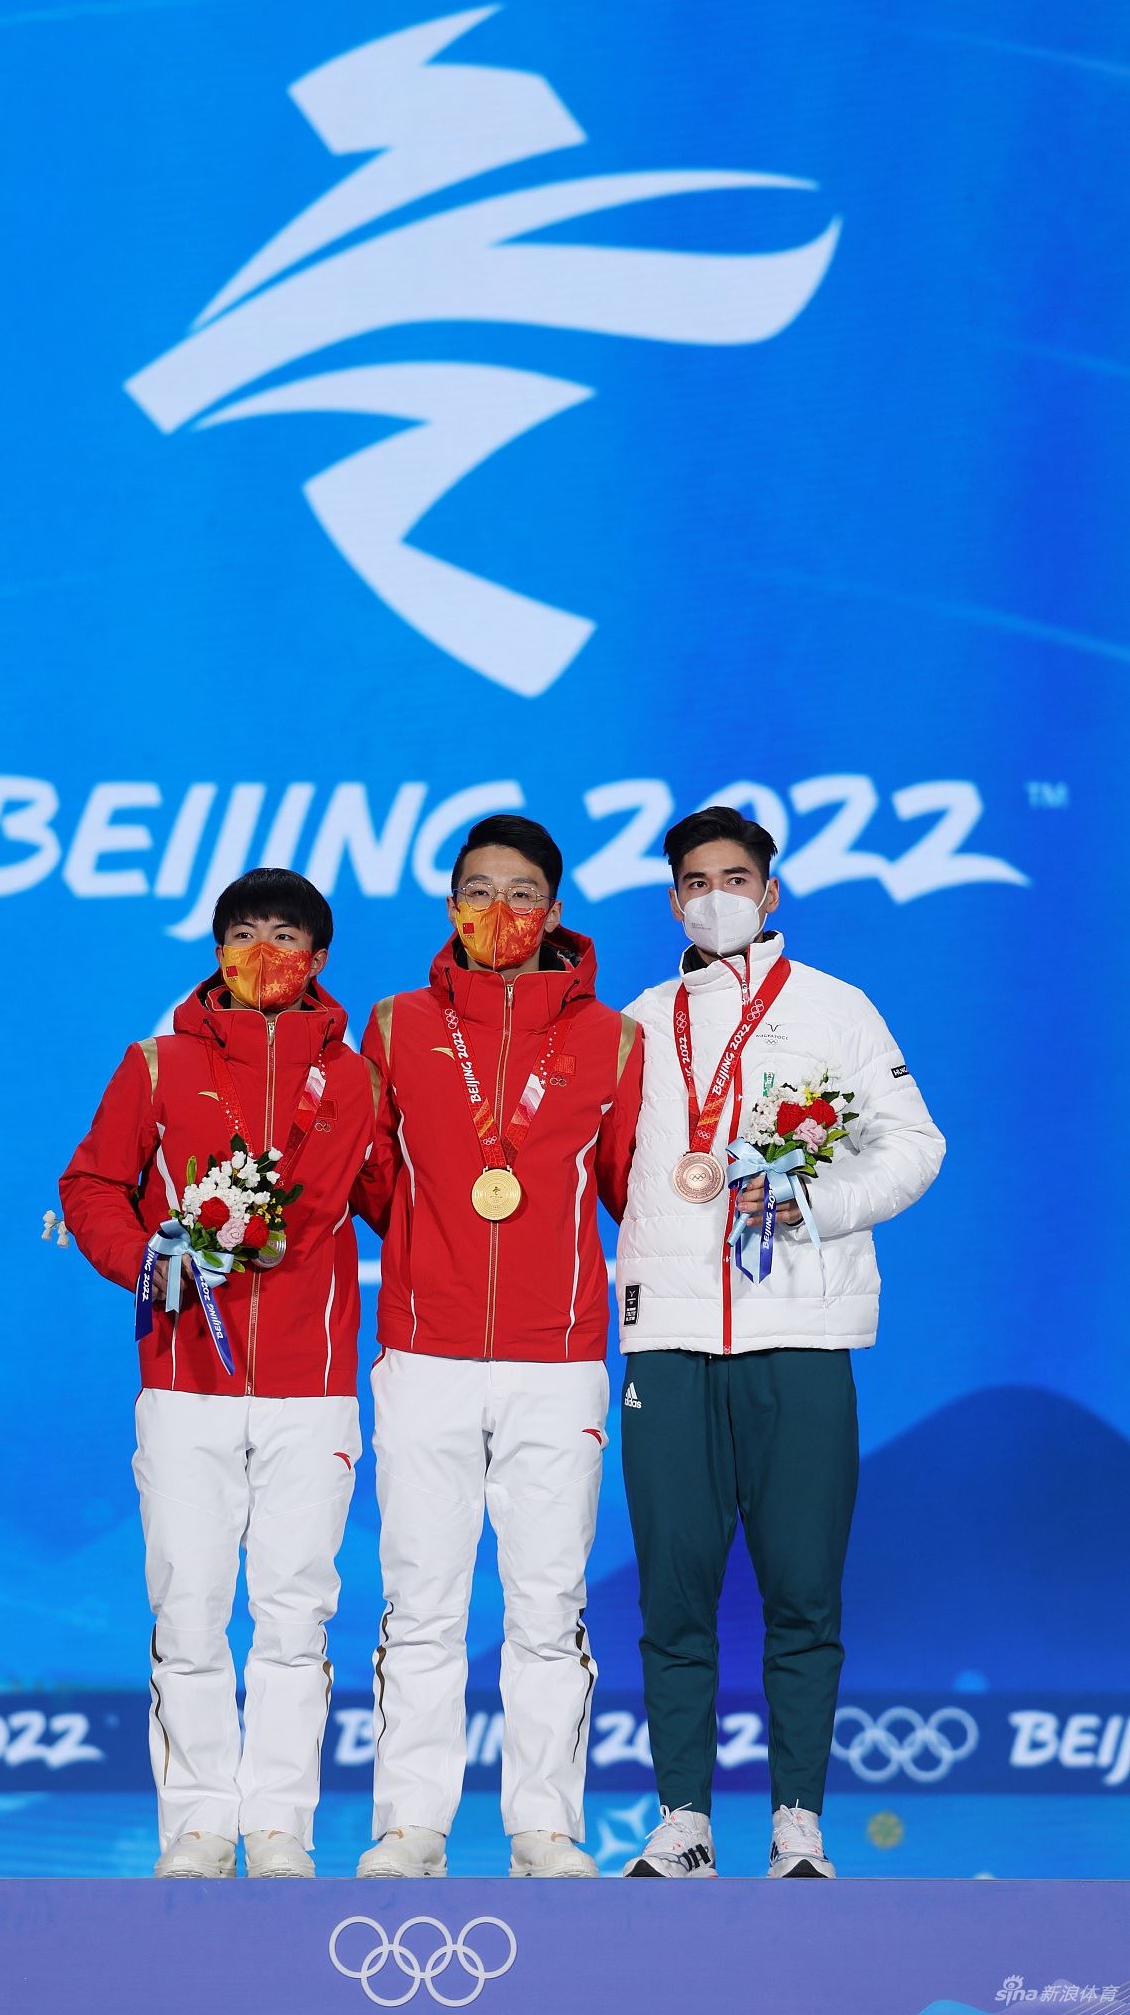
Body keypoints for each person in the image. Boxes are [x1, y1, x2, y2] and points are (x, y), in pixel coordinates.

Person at [615, 806, 945, 1879]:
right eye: (694, 880)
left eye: (734, 877)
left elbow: (915, 1144)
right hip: (668, 1341)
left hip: (800, 1331)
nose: (714, 895)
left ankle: (797, 1821)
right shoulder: (639, 1021)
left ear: (769, 891)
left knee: (803, 1590)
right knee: (673, 1595)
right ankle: (682, 1820)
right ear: (673, 899)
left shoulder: (834, 1006)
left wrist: (815, 1206)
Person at [58, 868, 383, 1880]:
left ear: (318, 957)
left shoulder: (359, 1079)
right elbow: (90, 1183)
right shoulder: (158, 1063)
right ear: (216, 950)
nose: (262, 952)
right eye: (242, 933)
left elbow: (398, 1201)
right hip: (184, 1382)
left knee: (295, 1615)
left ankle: (280, 1823)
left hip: (311, 1385)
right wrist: (145, 1260)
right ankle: (197, 1824)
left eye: (284, 935)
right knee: (189, 1608)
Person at [355, 814, 644, 1880]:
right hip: (424, 1352)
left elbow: (628, 1192)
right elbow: (372, 1180)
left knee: (547, 1606)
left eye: (522, 893)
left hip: (556, 1357)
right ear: (450, 906)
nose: (499, 910)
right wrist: (433, 1253)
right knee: (420, 1603)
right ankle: (410, 1826)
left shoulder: (614, 1041)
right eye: (477, 890)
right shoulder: (395, 1026)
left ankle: (543, 1829)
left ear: (555, 910)